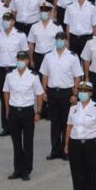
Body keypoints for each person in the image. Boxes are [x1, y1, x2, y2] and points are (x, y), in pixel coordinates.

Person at [1, 51, 43, 181]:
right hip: (14, 111)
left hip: (27, 111)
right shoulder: (10, 75)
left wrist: (38, 112)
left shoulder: (33, 76)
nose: (20, 61)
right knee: (16, 142)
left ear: (27, 61)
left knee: (28, 142)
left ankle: (26, 170)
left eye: (23, 59)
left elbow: (39, 94)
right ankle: (17, 169)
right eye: (18, 59)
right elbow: (6, 92)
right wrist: (7, 109)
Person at [39, 32, 82, 161]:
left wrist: (75, 94)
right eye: (58, 39)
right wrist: (44, 91)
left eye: (62, 39)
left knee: (66, 123)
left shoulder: (72, 57)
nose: (59, 42)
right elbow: (45, 75)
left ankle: (66, 149)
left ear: (66, 41)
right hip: (52, 92)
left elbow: (77, 77)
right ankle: (55, 150)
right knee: (54, 123)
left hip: (66, 93)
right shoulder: (48, 56)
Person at [64, 82, 96, 190]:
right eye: (80, 91)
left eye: (85, 91)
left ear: (90, 93)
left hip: (91, 144)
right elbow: (69, 127)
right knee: (77, 172)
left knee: (91, 172)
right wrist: (66, 144)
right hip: (75, 143)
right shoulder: (73, 107)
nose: (82, 93)